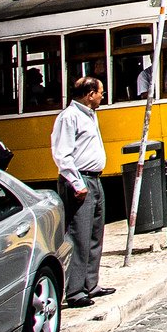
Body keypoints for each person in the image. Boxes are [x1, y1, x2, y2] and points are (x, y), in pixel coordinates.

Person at [50, 75, 115, 308]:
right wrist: (77, 184)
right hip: (80, 180)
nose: (102, 96)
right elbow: (62, 154)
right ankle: (75, 290)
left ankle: (91, 284)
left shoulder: (90, 115)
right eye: (100, 92)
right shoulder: (69, 117)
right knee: (79, 235)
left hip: (94, 179)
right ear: (90, 95)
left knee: (95, 233)